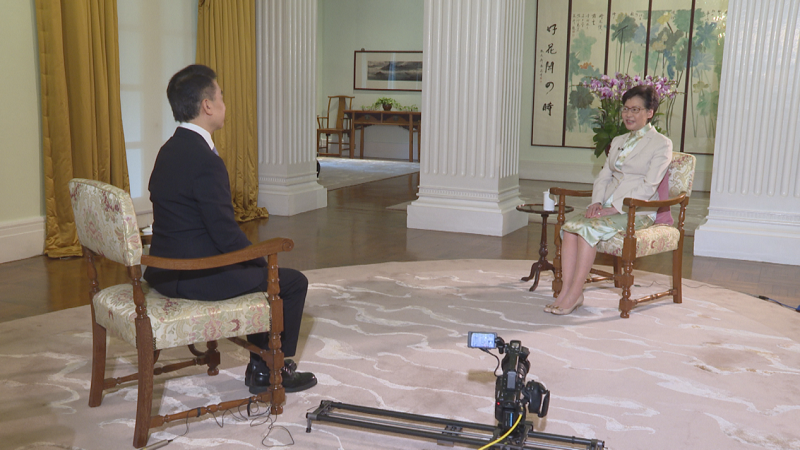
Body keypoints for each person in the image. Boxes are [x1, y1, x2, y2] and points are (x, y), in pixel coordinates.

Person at [143, 64, 317, 393]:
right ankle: (271, 370)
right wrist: (261, 260)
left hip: (164, 271)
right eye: (221, 96)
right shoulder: (206, 161)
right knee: (290, 282)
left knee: (256, 271)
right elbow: (225, 234)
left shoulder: (168, 150)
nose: (224, 103)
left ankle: (260, 366)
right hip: (194, 276)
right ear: (207, 105)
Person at [547, 84, 672, 315]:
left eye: (635, 110)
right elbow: (604, 176)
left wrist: (615, 207)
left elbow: (649, 185)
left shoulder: (661, 144)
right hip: (606, 206)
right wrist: (596, 202)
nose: (628, 114)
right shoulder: (618, 140)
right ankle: (566, 291)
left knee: (587, 229)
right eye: (625, 109)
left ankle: (575, 293)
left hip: (636, 210)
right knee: (570, 228)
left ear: (650, 112)